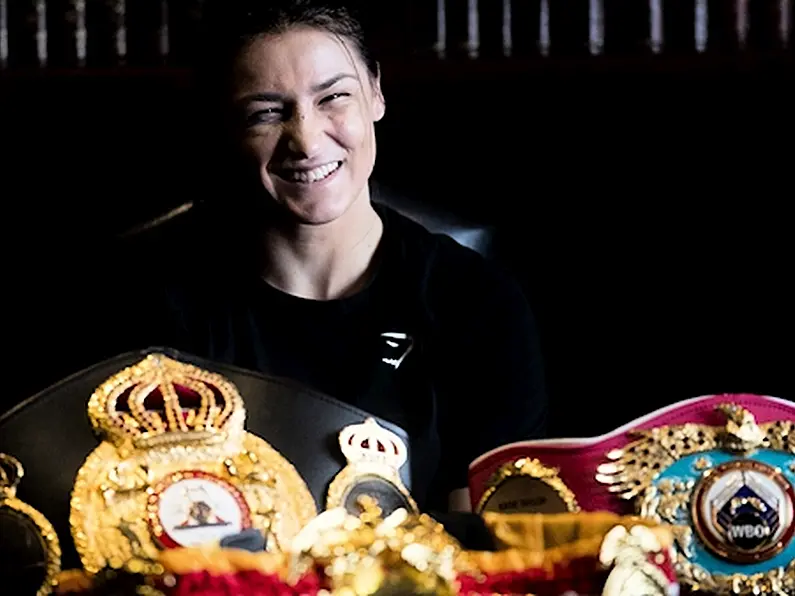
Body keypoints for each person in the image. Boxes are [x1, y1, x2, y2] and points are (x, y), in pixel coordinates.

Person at [88, 0, 547, 513]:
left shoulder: (477, 304)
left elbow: (491, 540)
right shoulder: (158, 309)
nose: (305, 140)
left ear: (375, 92)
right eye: (266, 113)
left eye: (333, 98)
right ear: (226, 127)